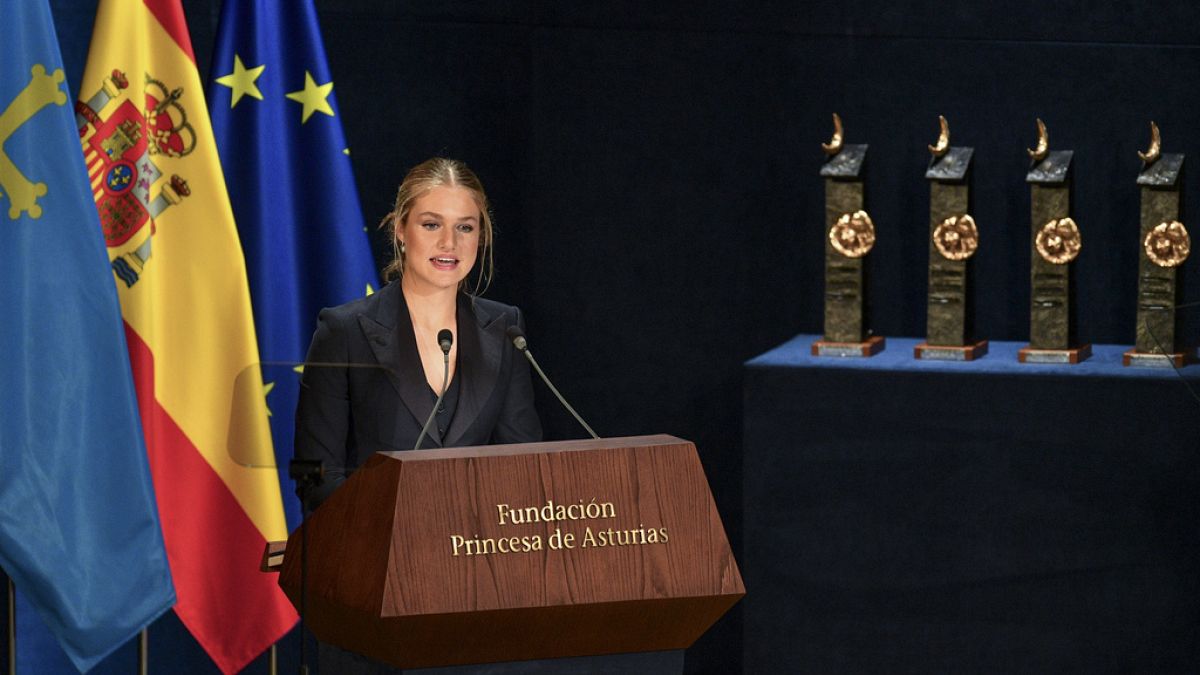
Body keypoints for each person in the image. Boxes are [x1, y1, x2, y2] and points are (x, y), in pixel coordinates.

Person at [294, 157, 543, 513]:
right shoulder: (344, 331)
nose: (449, 242)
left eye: (465, 227)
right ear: (400, 229)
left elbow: (523, 464)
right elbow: (314, 476)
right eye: (431, 224)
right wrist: (399, 524)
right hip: (374, 540)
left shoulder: (505, 328)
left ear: (481, 236)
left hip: (476, 542)